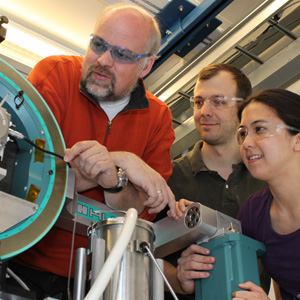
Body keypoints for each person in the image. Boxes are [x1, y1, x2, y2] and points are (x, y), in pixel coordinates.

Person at [7, 4, 176, 300]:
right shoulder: (56, 75)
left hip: (98, 278)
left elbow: (140, 213)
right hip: (19, 259)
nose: (103, 60)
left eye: (122, 54)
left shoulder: (158, 117)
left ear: (146, 66)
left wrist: (114, 179)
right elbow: (29, 172)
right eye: (98, 45)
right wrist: (121, 160)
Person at [156, 63, 268, 299]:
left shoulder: (267, 178)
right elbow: (137, 252)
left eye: (218, 101)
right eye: (198, 102)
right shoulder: (167, 178)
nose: (204, 111)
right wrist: (177, 279)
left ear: (242, 108)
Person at [231, 88, 300, 299]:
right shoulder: (253, 211)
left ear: (297, 140)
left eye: (259, 129)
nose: (247, 143)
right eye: (243, 133)